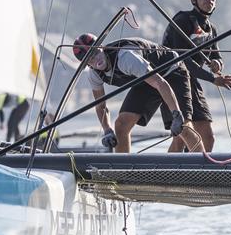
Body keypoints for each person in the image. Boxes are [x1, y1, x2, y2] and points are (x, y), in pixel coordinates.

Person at [72, 34, 203, 153]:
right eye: (90, 59)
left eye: (95, 52)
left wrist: (176, 114)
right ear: (86, 64)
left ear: (101, 47)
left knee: (184, 127)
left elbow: (159, 83)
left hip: (172, 72)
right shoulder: (94, 74)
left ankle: (205, 169)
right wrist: (107, 130)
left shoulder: (126, 58)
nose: (96, 60)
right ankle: (123, 174)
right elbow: (101, 106)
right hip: (145, 81)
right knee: (121, 125)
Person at [161, 0, 231, 152]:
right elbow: (182, 59)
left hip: (193, 81)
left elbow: (216, 55)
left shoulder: (212, 29)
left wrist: (217, 63)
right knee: (183, 136)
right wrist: (212, 78)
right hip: (174, 79)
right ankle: (168, 175)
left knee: (208, 138)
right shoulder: (182, 20)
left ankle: (195, 174)